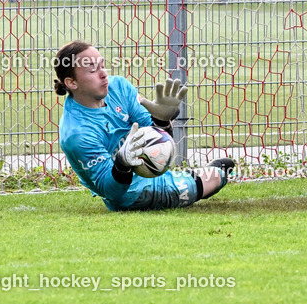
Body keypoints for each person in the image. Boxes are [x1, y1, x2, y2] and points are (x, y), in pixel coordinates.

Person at [54, 41, 233, 211]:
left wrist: (162, 120)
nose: (103, 74)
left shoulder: (119, 87)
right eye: (93, 70)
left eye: (102, 65)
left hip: (150, 170)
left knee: (223, 166)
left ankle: (190, 176)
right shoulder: (76, 134)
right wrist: (122, 162)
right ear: (72, 83)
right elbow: (111, 192)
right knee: (219, 174)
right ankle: (193, 178)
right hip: (133, 194)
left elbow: (159, 142)